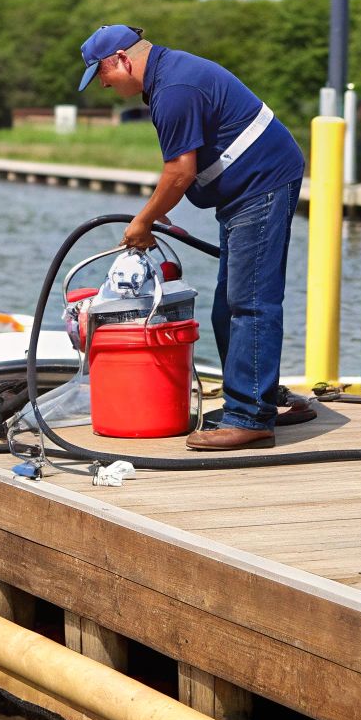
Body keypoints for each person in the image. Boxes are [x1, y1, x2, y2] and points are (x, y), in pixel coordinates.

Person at [76, 24, 310, 449]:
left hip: (262, 183)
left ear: (122, 60)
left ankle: (250, 417)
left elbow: (180, 172)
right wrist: (156, 213)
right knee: (229, 307)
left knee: (249, 303)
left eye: (102, 75)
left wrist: (144, 221)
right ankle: (266, 399)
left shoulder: (175, 88)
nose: (104, 85)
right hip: (248, 187)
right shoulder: (170, 77)